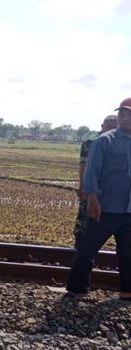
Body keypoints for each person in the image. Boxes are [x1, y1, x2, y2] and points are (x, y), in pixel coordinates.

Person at [67, 98, 131, 300]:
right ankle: (77, 289)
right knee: (88, 249)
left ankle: (127, 290)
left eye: (129, 114)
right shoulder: (104, 140)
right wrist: (93, 200)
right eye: (122, 113)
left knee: (128, 253)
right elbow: (91, 173)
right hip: (105, 208)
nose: (124, 117)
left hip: (129, 210)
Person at [74, 115, 117, 248]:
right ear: (102, 127)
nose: (111, 130)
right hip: (92, 189)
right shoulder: (90, 143)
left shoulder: (122, 142)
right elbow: (84, 166)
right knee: (85, 222)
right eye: (109, 126)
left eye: (114, 127)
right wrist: (82, 186)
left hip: (113, 193)